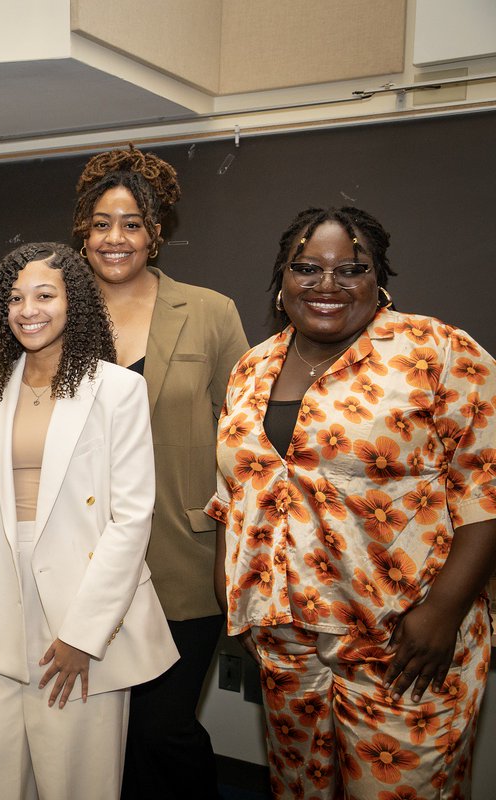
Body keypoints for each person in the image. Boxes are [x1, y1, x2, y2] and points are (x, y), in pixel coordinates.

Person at [206, 206, 496, 799]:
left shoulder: (438, 351)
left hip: (403, 639)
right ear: (281, 280)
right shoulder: (252, 368)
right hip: (284, 642)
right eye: (307, 268)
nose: (327, 285)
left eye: (351, 269)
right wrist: (227, 585)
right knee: (300, 789)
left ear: (379, 278)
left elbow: (486, 486)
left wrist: (441, 614)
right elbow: (237, 489)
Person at [0, 242, 178, 800]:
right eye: (16, 298)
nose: (29, 309)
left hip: (81, 607)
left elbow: (130, 520)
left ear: (75, 301)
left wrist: (83, 635)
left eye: (45, 295)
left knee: (77, 781)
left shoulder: (118, 389)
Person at [72, 146, 248, 799]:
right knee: (105, 736)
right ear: (83, 233)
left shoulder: (209, 312)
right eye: (101, 224)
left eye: (132, 223)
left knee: (163, 728)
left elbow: (247, 440)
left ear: (156, 232)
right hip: (82, 561)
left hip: (182, 559)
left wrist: (240, 544)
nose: (115, 238)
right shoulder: (53, 313)